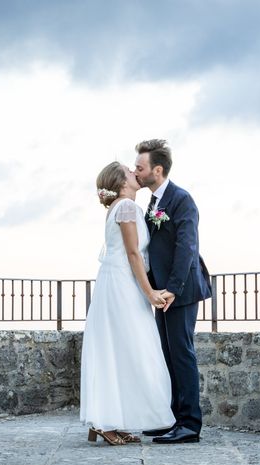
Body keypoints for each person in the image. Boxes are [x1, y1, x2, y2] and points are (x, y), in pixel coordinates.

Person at [80, 161, 176, 446]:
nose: (135, 172)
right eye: (129, 170)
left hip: (114, 283)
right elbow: (133, 254)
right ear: (121, 182)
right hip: (123, 286)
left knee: (117, 351)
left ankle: (110, 420)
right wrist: (150, 293)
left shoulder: (119, 208)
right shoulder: (127, 207)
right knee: (132, 350)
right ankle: (105, 422)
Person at [134, 139, 212, 444]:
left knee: (182, 355)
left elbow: (187, 248)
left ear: (158, 169)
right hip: (162, 292)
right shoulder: (153, 202)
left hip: (180, 292)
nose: (136, 171)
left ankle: (190, 424)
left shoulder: (182, 199)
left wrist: (172, 290)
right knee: (167, 355)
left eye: (140, 167)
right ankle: (172, 419)